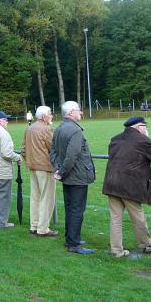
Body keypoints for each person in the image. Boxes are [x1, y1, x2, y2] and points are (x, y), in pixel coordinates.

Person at [102, 116, 151, 257]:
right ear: (138, 127)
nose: (146, 129)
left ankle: (116, 250)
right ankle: (146, 244)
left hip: (112, 183)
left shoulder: (115, 139)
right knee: (138, 217)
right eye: (145, 126)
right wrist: (149, 138)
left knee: (115, 218)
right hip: (129, 186)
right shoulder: (143, 140)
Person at [50, 101, 95, 255]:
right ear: (70, 112)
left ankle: (71, 238)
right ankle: (74, 244)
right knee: (76, 210)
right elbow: (71, 156)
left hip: (68, 176)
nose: (80, 112)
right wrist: (61, 171)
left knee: (70, 208)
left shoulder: (59, 128)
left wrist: (58, 169)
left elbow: (53, 152)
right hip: (76, 176)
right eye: (78, 110)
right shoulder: (75, 130)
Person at [22, 106, 58, 237]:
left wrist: (29, 161)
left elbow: (23, 149)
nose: (51, 116)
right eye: (50, 114)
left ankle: (34, 225)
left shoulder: (29, 129)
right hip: (45, 167)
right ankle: (43, 228)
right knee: (46, 199)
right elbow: (53, 147)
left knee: (35, 197)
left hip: (33, 167)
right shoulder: (46, 129)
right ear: (43, 116)